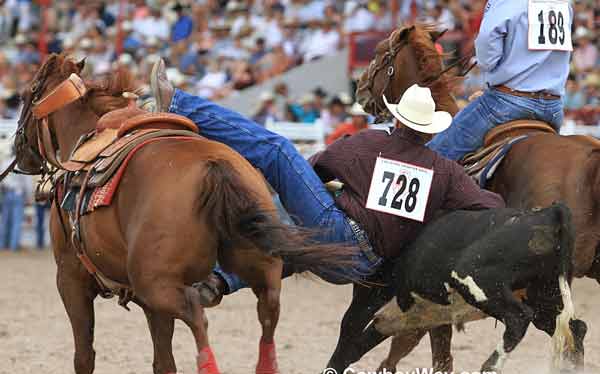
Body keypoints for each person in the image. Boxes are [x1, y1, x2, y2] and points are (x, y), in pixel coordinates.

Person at [150, 60, 504, 305]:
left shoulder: (371, 143)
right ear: (430, 132)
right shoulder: (445, 172)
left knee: (278, 150)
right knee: (297, 238)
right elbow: (489, 206)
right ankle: (220, 281)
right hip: (369, 265)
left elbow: (313, 169)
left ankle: (182, 104)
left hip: (343, 237)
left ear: (397, 121)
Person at [428, 0, 573, 161]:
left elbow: (486, 44)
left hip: (508, 103)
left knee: (433, 157)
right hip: (553, 108)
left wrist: (491, 68)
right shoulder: (564, 3)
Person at [1, 155, 32, 251]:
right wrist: (28, 196)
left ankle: (2, 245)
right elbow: (27, 182)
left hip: (6, 193)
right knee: (16, 221)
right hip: (18, 194)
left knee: (5, 221)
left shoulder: (5, 162)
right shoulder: (21, 164)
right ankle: (13, 246)